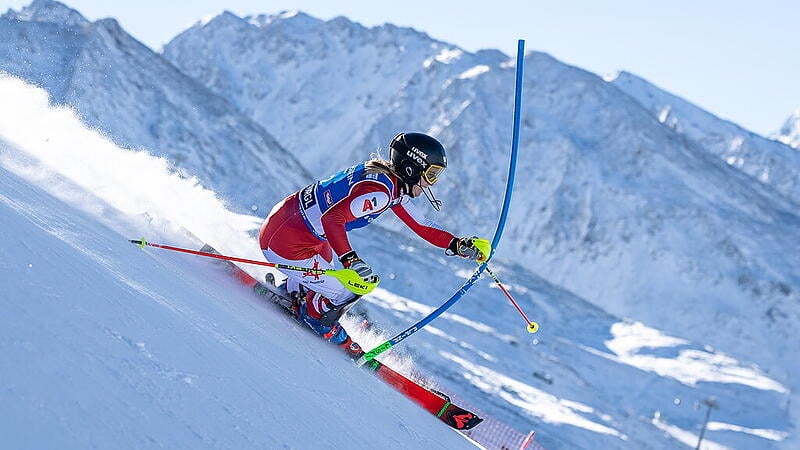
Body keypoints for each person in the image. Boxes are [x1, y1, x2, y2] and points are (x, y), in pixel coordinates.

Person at [258, 132, 490, 358]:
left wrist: (457, 244)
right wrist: (351, 260)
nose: (432, 183)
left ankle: (295, 290)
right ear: (412, 167)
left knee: (332, 265)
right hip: (287, 243)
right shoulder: (380, 193)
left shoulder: (387, 182)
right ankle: (315, 317)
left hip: (290, 228)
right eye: (431, 174)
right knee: (354, 286)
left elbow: (421, 224)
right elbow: (332, 219)